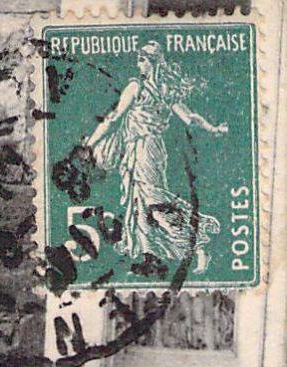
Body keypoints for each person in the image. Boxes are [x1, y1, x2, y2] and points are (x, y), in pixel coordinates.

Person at [82, 41, 227, 273]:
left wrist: (90, 144)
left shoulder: (136, 87)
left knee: (153, 201)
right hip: (146, 149)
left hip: (145, 150)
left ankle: (197, 247)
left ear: (152, 63)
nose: (138, 64)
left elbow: (113, 118)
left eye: (142, 59)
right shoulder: (165, 90)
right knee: (138, 200)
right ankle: (146, 253)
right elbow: (190, 118)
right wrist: (213, 128)